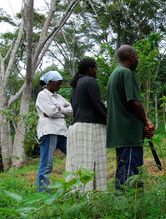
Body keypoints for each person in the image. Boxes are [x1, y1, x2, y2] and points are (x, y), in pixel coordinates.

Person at [106, 45, 155, 192]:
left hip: (120, 132)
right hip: (129, 133)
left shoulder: (114, 74)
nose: (138, 60)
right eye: (137, 57)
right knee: (130, 172)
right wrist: (146, 121)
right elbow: (135, 102)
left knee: (124, 168)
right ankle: (125, 205)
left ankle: (134, 203)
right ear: (131, 57)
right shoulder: (126, 73)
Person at [66, 58, 108, 192]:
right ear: (91, 70)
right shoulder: (90, 81)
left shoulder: (76, 84)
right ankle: (92, 194)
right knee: (93, 162)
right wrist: (109, 118)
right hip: (90, 127)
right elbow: (98, 105)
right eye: (96, 69)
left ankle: (77, 194)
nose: (97, 72)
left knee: (78, 164)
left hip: (75, 127)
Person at [35, 71, 73, 193]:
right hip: (49, 131)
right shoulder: (42, 95)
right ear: (49, 82)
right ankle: (44, 193)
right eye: (58, 84)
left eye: (61, 84)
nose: (59, 86)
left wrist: (59, 109)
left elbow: (72, 110)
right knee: (47, 163)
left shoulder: (58, 97)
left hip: (62, 131)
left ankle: (75, 186)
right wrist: (63, 110)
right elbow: (51, 112)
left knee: (73, 155)